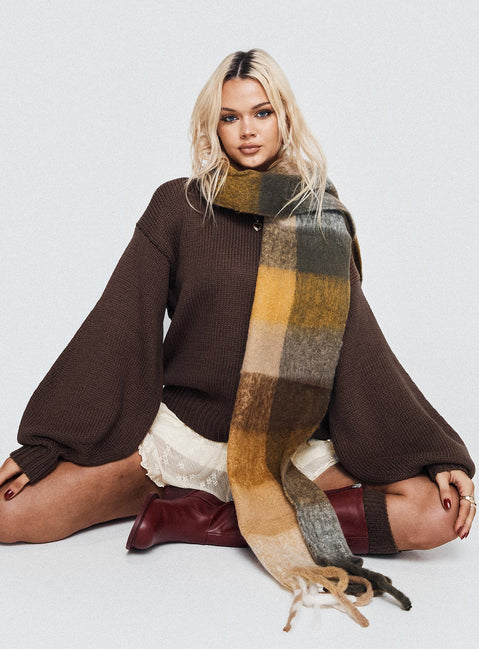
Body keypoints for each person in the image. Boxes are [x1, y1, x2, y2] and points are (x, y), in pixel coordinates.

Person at [0, 49, 475, 625]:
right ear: (214, 126)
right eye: (230, 117)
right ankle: (207, 500)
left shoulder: (321, 220)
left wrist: (435, 451)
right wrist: (50, 440)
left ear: (284, 117)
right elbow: (120, 322)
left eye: (261, 112)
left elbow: (360, 349)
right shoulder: (178, 206)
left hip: (288, 446)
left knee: (435, 514)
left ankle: (200, 519)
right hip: (185, 438)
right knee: (9, 514)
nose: (247, 130)